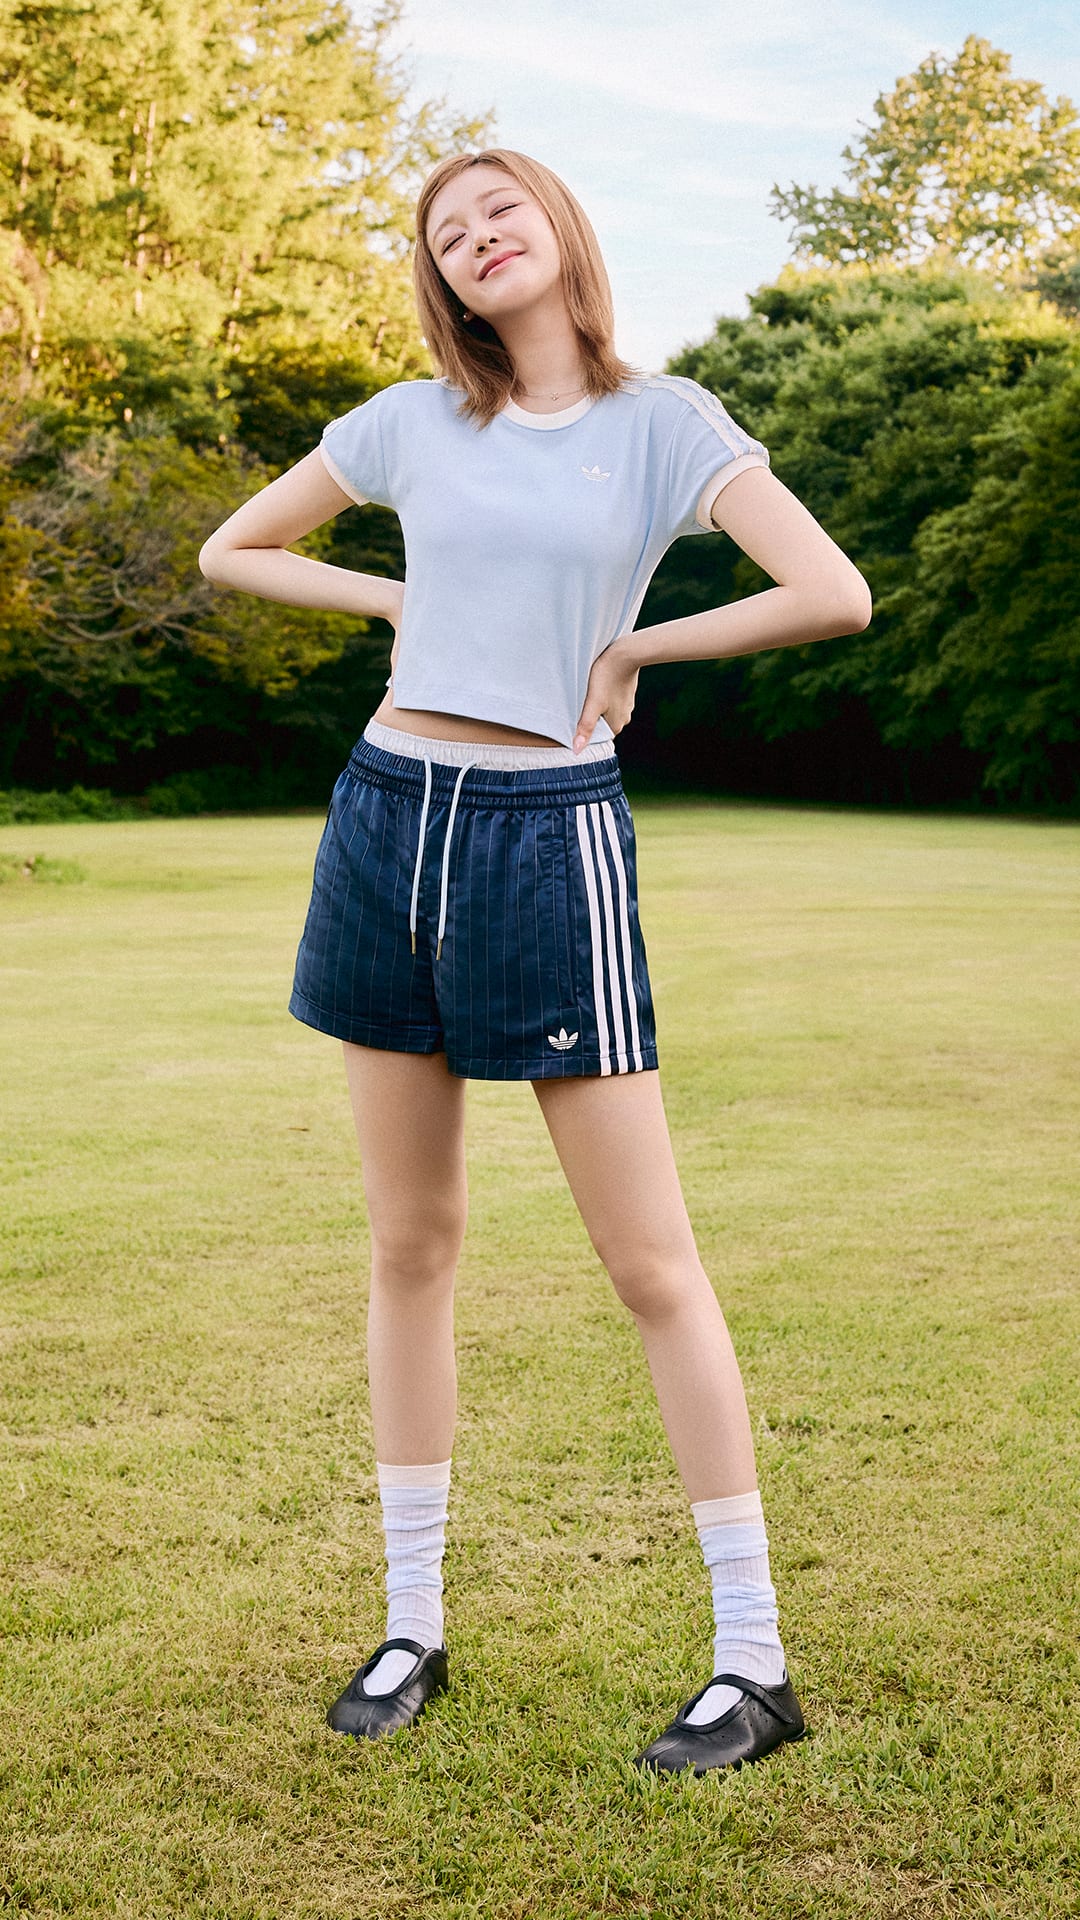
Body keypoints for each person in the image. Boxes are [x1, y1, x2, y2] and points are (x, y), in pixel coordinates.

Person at [198, 146, 871, 1777]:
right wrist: (401, 598)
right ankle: (414, 1621)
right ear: (438, 275)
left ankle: (753, 1659)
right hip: (381, 821)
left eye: (499, 210)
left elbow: (828, 592)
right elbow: (236, 549)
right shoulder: (407, 425)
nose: (475, 237)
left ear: (558, 229)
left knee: (650, 1265)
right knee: (411, 1241)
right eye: (445, 230)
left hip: (545, 831)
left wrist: (635, 642)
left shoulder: (668, 423)